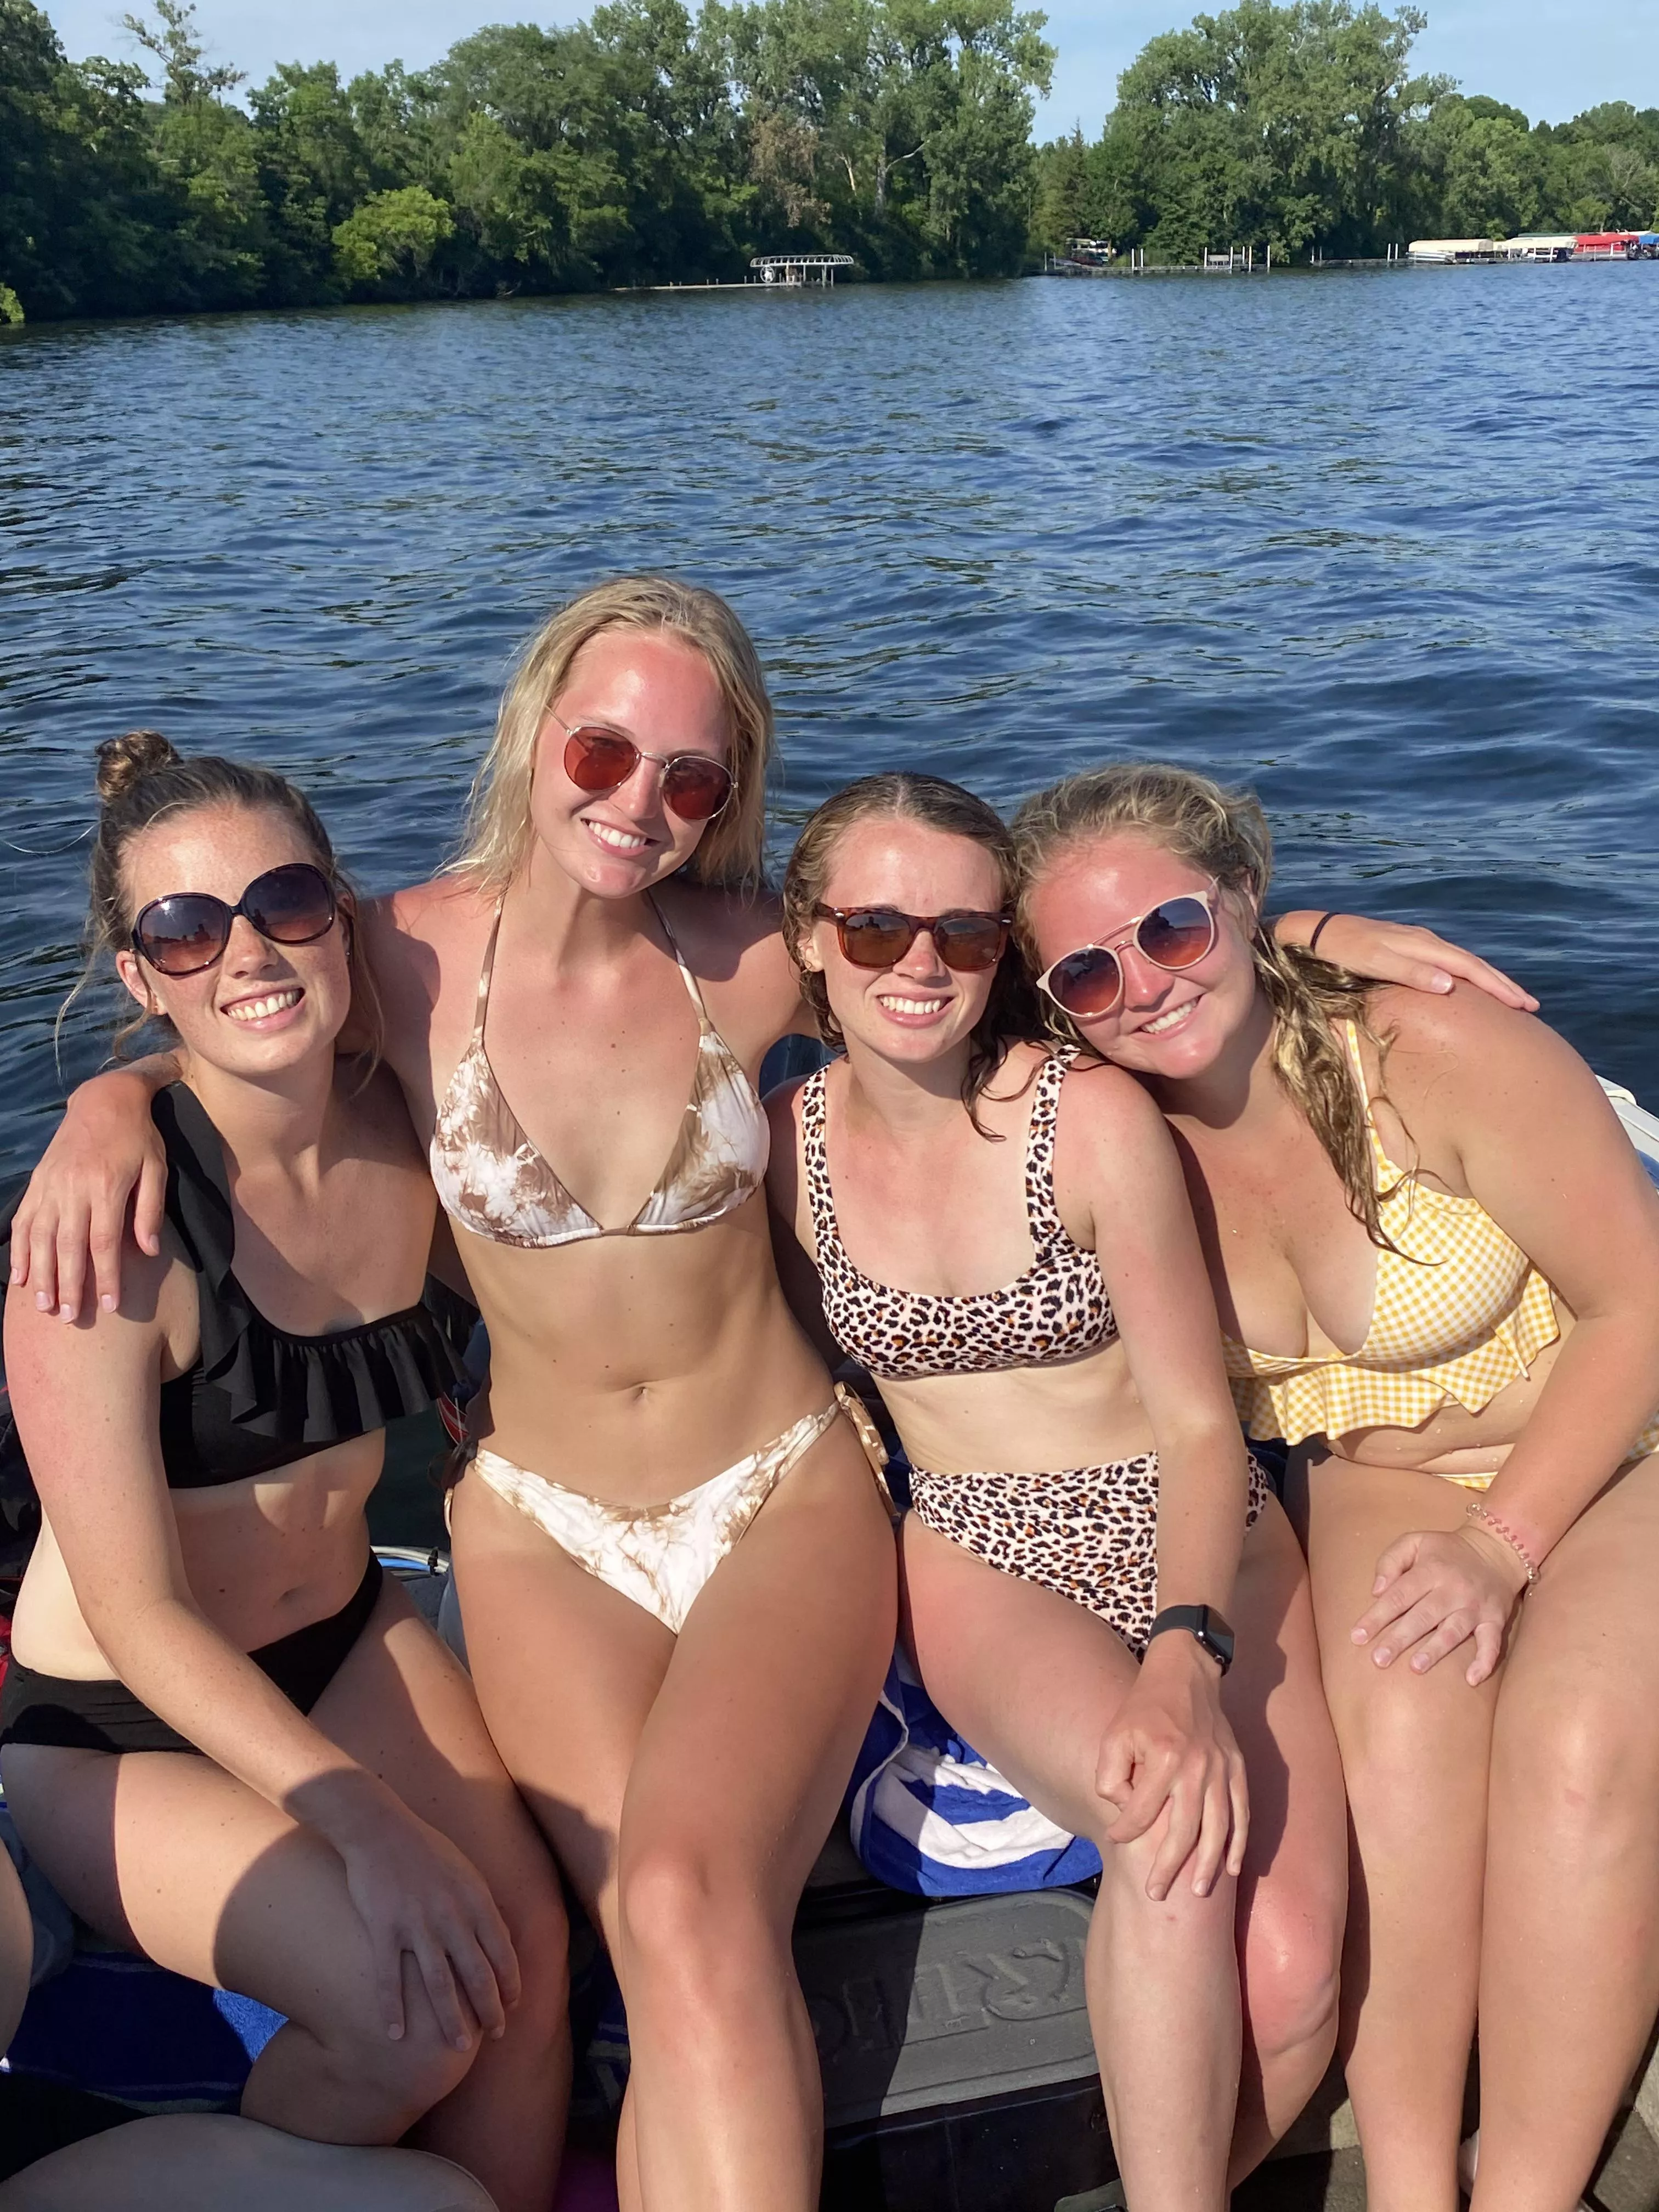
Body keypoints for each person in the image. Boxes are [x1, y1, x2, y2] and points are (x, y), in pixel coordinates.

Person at [7, 579, 1530, 2208]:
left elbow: (1040, 955)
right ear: (535, 732)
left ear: (731, 802)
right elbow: (242, 1012)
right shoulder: (396, 953)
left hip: (778, 1492)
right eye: (605, 750)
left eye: (692, 778)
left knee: (683, 1897)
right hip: (539, 1522)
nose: (639, 804)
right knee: (641, 1942)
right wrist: (109, 1100)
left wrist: (1310, 937)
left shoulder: (757, 959)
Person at [1012, 761, 1659, 2212]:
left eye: (1174, 928)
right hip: (1382, 1477)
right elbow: (867, 1003)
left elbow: (1641, 1308)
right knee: (1406, 1778)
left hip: (1624, 1443)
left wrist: (1503, 1548)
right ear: (1052, 1000)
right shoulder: (1113, 1128)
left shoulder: (1428, 1054)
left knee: (1571, 1758)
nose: (1144, 983)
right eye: (1089, 968)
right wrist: (1292, 929)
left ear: (1237, 898)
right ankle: (1415, 2187)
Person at [0, 735, 569, 2212]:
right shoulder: (108, 1240)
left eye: (285, 901)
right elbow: (133, 1612)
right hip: (117, 1718)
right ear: (139, 977)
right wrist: (366, 1826)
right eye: (186, 930)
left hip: (342, 1631)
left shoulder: (412, 1122)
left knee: (528, 1951)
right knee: (410, 2017)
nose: (246, 949)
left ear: (338, 912)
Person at [766, 773, 1347, 2211]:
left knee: (1293, 1981)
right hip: (976, 1544)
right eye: (880, 926)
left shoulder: (1086, 1123)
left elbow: (1208, 1432)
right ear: (808, 936)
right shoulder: (782, 1151)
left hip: (1194, 1528)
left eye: (965, 935)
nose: (920, 966)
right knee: (1163, 1826)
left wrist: (1185, 1650)